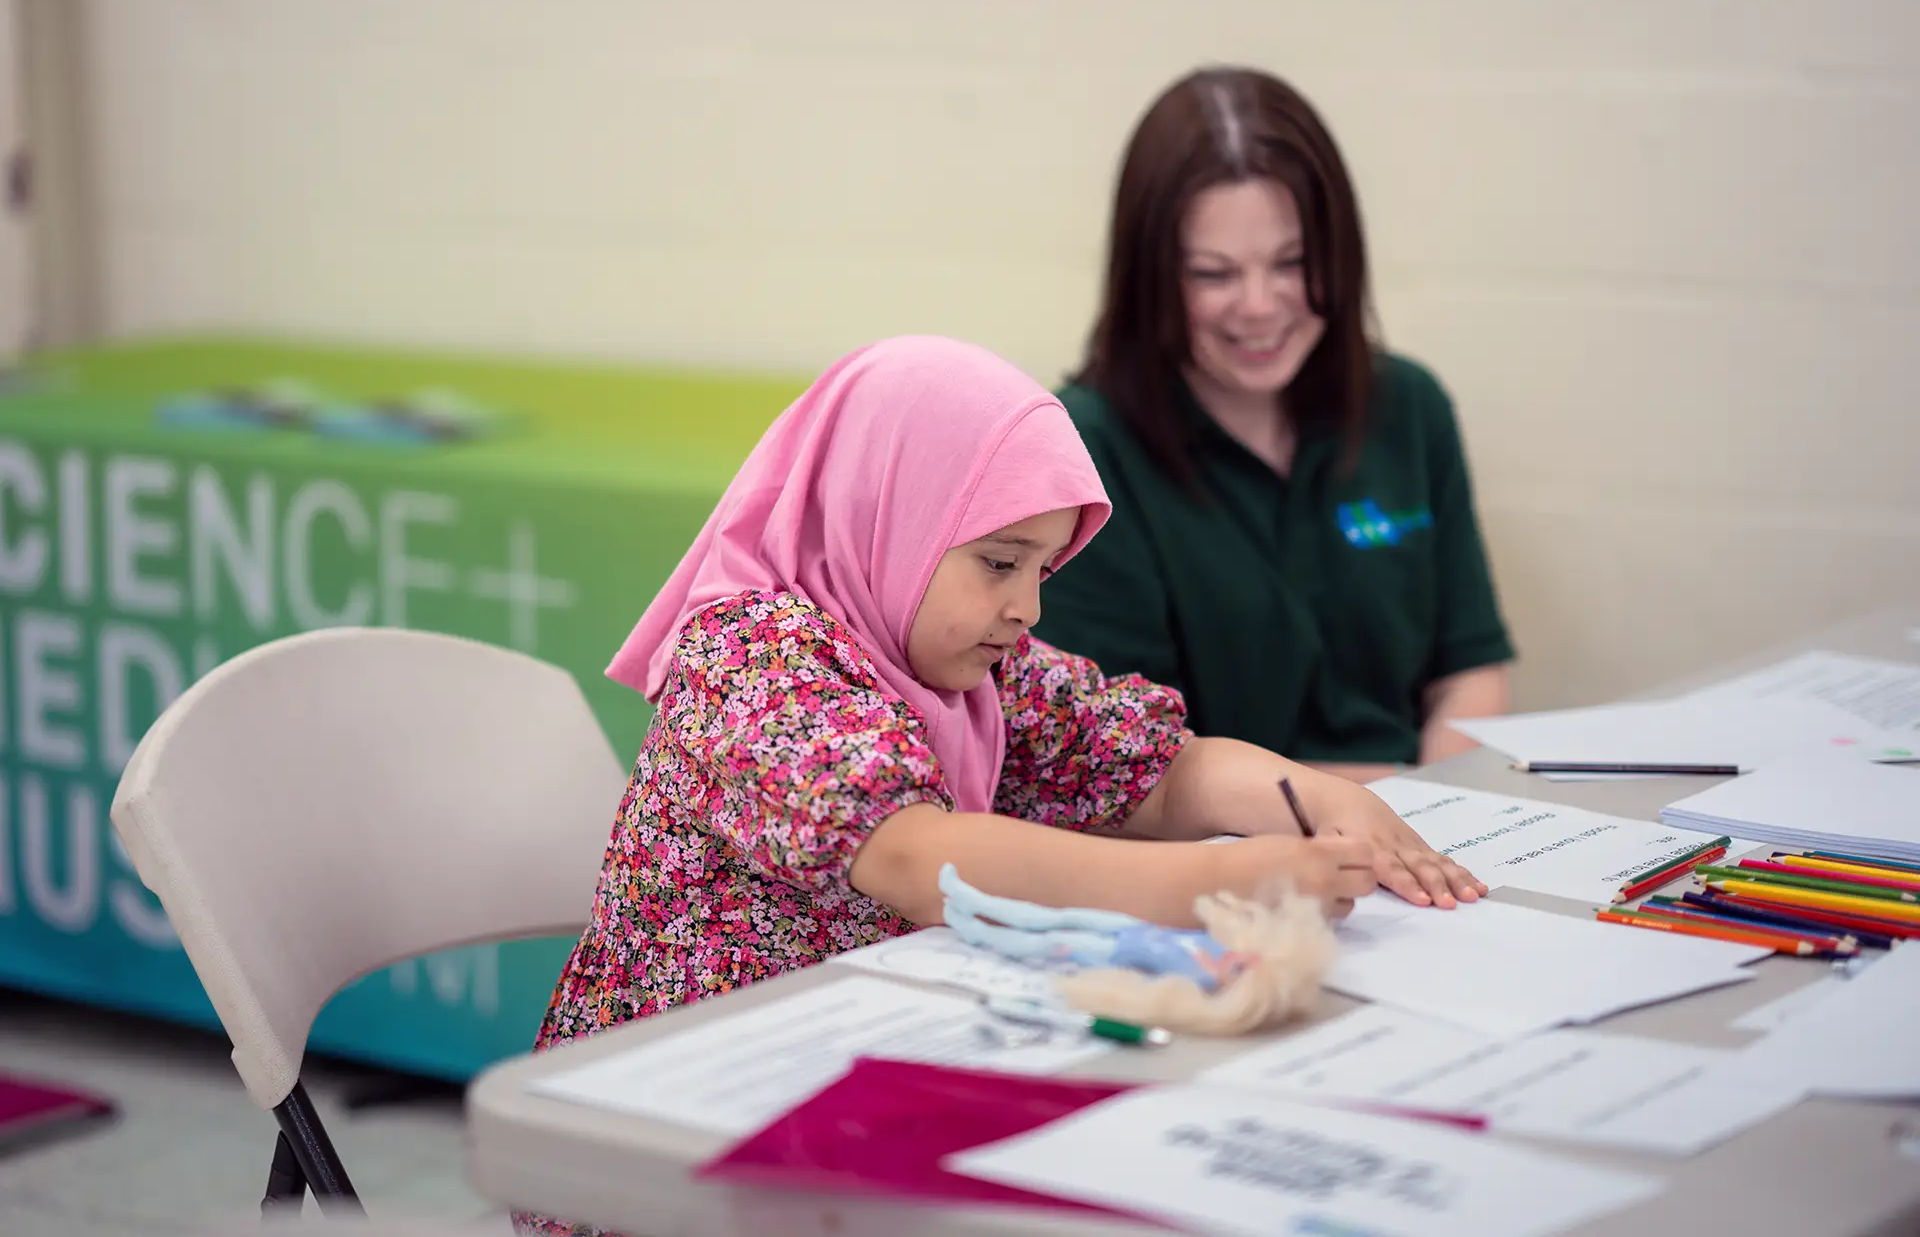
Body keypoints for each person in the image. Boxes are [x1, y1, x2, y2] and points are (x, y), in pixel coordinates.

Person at [513, 335, 1483, 1235]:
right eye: (998, 562)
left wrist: (1314, 795)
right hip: (670, 1137)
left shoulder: (969, 664)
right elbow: (914, 853)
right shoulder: (753, 657)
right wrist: (1215, 887)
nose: (1026, 606)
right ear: (884, 515)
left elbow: (1158, 766)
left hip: (858, 1082)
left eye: (1044, 568)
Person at [1033, 66, 1514, 785]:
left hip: (1418, 838)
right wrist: (1376, 809)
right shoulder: (1081, 449)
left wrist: (1444, 814)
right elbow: (1117, 765)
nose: (1260, 306)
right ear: (1150, 279)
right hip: (1211, 865)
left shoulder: (1408, 408)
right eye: (1213, 274)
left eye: (1293, 263)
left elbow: (1469, 674)